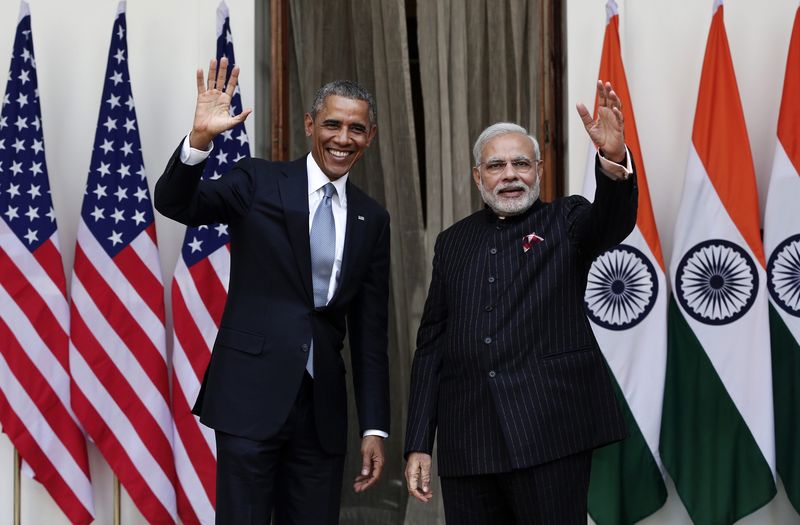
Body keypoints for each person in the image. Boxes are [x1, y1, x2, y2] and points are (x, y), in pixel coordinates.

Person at [155, 57, 390, 524]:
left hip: (321, 413)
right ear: (309, 124)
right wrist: (199, 140)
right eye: (333, 124)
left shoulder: (372, 217)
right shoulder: (258, 181)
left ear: (371, 136)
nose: (344, 139)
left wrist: (375, 427)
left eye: (357, 129)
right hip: (250, 398)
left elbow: (370, 336)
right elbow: (175, 203)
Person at [403, 80, 638, 524]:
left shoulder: (566, 219)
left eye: (520, 163)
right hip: (469, 441)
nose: (510, 174)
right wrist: (418, 439)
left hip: (549, 432)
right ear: (478, 176)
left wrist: (611, 162)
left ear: (539, 170)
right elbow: (431, 344)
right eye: (496, 165)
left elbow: (613, 221)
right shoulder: (452, 242)